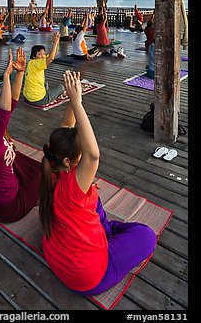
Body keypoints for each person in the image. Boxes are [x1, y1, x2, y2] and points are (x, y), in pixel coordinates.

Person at [39, 70, 157, 295]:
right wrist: (76, 102)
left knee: (95, 204)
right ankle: (108, 231)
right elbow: (93, 155)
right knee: (146, 236)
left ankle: (106, 230)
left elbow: (65, 127)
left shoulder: (50, 165)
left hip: (58, 259)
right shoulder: (73, 186)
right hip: (88, 276)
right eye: (79, 156)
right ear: (68, 161)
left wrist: (73, 98)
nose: (84, 159)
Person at [0, 47, 41, 223]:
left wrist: (20, 73)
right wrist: (5, 77)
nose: (7, 115)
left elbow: (11, 102)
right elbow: (5, 111)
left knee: (29, 164)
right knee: (40, 178)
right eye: (2, 116)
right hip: (7, 208)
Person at [23, 32, 65, 106]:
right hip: (38, 100)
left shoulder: (32, 62)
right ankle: (46, 96)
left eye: (43, 53)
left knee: (45, 82)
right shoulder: (37, 63)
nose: (42, 56)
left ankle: (43, 93)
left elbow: (53, 55)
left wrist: (56, 42)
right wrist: (55, 43)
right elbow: (51, 58)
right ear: (33, 56)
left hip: (27, 97)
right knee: (61, 87)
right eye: (39, 54)